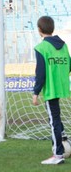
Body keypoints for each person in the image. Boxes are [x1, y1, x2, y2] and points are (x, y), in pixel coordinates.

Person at [33, 16, 70, 165]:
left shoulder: (41, 48)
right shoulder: (64, 45)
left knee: (53, 120)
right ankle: (64, 139)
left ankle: (58, 154)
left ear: (39, 30)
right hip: (61, 85)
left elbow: (40, 73)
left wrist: (35, 93)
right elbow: (69, 63)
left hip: (51, 89)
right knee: (55, 116)